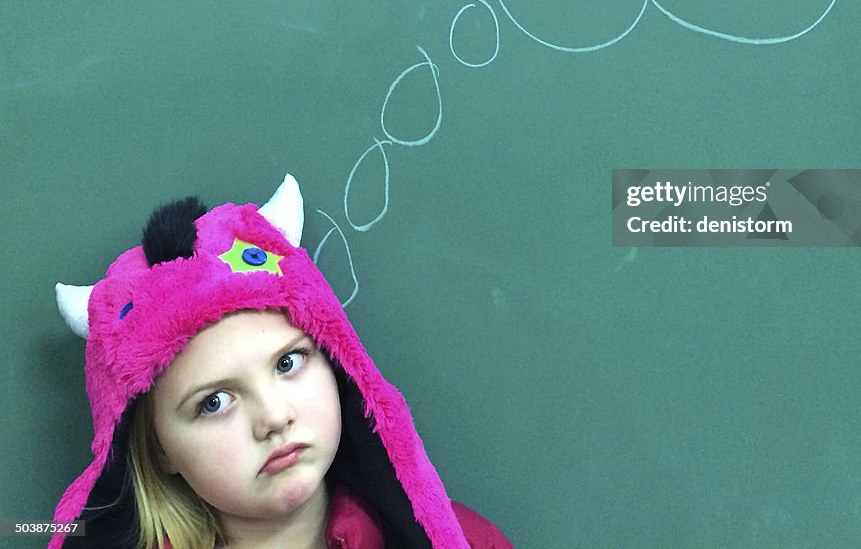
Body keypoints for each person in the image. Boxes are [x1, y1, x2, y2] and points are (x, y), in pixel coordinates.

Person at [49, 175, 514, 549]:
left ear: (337, 363)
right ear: (160, 449)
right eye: (213, 402)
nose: (274, 417)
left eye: (289, 363)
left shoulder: (469, 540)